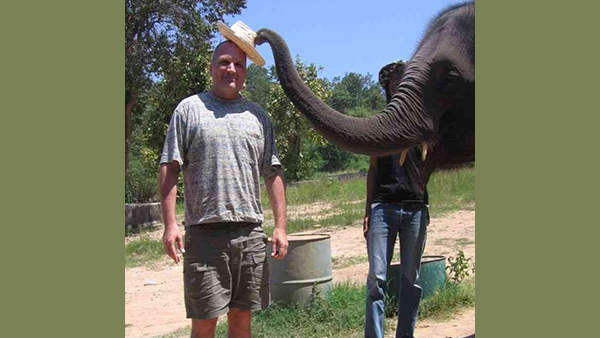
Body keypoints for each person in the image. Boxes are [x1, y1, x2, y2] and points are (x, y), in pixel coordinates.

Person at [158, 21, 288, 338]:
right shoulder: (189, 110)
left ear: (245, 72)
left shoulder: (258, 116)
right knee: (204, 321)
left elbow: (272, 172)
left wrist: (281, 226)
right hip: (204, 233)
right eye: (224, 62)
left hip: (250, 232)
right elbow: (169, 166)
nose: (231, 69)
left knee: (242, 317)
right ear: (212, 67)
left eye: (239, 65)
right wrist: (170, 224)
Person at [363, 60, 430, 338]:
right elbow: (373, 168)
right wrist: (367, 210)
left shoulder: (423, 125)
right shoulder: (379, 124)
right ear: (387, 88)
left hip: (416, 209)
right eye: (391, 81)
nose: (396, 84)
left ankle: (405, 335)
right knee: (377, 279)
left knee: (410, 279)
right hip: (383, 208)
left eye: (401, 79)